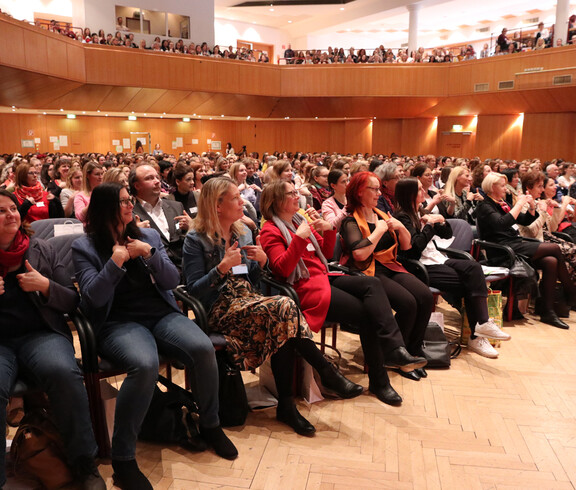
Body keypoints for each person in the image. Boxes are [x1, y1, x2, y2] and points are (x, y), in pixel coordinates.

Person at [72, 183, 237, 489]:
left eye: (129, 200)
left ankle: (210, 425)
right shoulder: (85, 247)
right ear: (105, 208)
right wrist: (115, 262)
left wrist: (148, 254)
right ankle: (123, 460)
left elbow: (173, 280)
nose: (129, 206)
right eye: (123, 202)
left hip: (160, 315)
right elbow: (92, 299)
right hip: (117, 323)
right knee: (145, 365)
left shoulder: (147, 237)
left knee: (203, 348)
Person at [183, 177, 362, 435]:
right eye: (235, 198)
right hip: (219, 308)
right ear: (217, 206)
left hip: (248, 301)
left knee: (283, 321)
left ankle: (289, 404)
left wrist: (262, 262)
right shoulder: (195, 239)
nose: (242, 202)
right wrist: (221, 268)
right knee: (284, 307)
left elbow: (251, 278)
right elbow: (193, 291)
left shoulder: (242, 232)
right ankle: (324, 373)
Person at [260, 180, 427, 405]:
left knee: (372, 284)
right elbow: (282, 269)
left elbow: (326, 253)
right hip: (305, 287)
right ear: (276, 200)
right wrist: (299, 238)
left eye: (295, 192)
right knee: (369, 314)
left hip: (325, 277)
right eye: (290, 193)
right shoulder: (270, 229)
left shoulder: (300, 220)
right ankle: (381, 378)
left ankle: (394, 348)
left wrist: (328, 230)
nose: (297, 196)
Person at [0, 190, 105, 490]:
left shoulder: (41, 248)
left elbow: (72, 300)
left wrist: (46, 286)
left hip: (40, 335)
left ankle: (84, 462)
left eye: (12, 208)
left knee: (64, 373)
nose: (10, 214)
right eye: (1, 211)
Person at [394, 178, 511, 358]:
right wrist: (430, 225)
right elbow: (415, 248)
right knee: (471, 283)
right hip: (420, 266)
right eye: (419, 189)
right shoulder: (402, 217)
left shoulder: (422, 210)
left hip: (438, 258)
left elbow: (447, 234)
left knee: (474, 268)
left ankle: (481, 325)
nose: (424, 191)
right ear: (409, 194)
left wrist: (442, 221)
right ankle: (477, 334)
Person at [339, 172, 434, 380]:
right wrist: (379, 231)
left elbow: (407, 247)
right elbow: (359, 254)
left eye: (378, 189)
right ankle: (394, 354)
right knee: (408, 303)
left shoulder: (383, 214)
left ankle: (412, 352)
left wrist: (401, 228)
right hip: (368, 270)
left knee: (425, 297)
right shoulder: (350, 221)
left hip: (390, 265)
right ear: (359, 192)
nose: (379, 193)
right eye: (374, 189)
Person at [476, 173, 576, 329]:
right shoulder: (484, 206)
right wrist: (519, 204)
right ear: (492, 187)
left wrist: (532, 207)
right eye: (502, 186)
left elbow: (524, 220)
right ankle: (571, 292)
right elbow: (501, 223)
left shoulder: (502, 202)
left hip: (514, 243)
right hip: (501, 249)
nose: (506, 189)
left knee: (551, 261)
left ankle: (548, 312)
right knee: (555, 248)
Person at [130, 164, 191, 270]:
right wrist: (135, 231)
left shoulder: (176, 206)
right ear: (137, 185)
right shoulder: (131, 215)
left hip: (186, 270)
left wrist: (192, 226)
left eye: (157, 177)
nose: (157, 181)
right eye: (149, 178)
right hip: (156, 272)